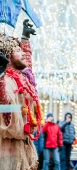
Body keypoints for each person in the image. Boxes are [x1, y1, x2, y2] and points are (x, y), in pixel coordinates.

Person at [0, 19, 43, 170]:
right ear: (8, 57)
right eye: (18, 51)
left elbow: (28, 65)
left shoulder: (23, 78)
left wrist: (25, 40)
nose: (23, 54)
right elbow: (5, 110)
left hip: (23, 147)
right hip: (7, 151)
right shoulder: (5, 80)